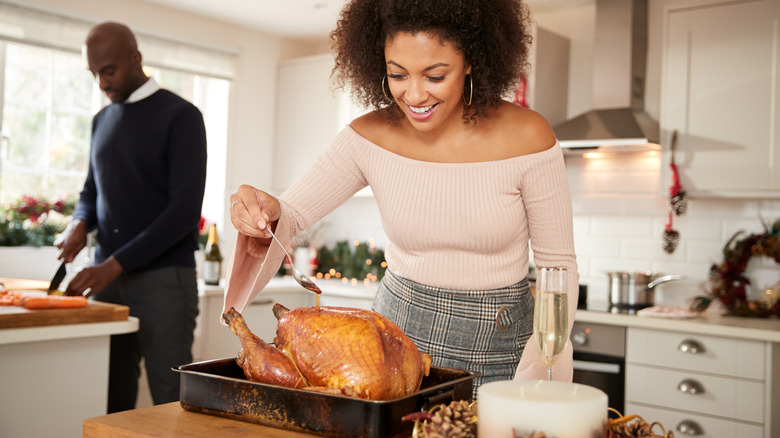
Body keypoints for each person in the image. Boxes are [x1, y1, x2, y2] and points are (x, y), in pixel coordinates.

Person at [225, 0, 578, 393]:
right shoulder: (366, 138)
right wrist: (263, 209)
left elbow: (558, 268)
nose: (414, 95)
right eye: (398, 74)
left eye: (435, 75)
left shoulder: (528, 137)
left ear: (471, 61)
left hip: (499, 345)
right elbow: (288, 213)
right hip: (388, 347)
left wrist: (541, 375)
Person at [56, 22, 207, 412]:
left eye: (109, 70)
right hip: (108, 282)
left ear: (135, 59)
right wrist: (79, 223)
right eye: (94, 73)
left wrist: (112, 265)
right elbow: (92, 192)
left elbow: (184, 213)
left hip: (164, 285)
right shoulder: (101, 121)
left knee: (172, 402)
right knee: (110, 398)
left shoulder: (182, 116)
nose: (101, 82)